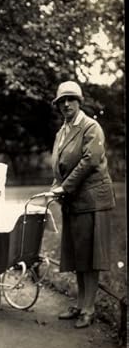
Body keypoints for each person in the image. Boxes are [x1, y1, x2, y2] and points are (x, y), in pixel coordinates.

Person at [50, 81, 115, 328]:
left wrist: (64, 187)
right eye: (62, 101)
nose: (66, 104)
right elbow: (61, 166)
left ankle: (89, 308)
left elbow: (90, 161)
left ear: (80, 102)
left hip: (93, 200)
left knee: (91, 258)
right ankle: (79, 305)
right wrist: (54, 185)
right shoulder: (62, 131)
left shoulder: (91, 127)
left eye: (71, 99)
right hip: (75, 201)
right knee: (79, 255)